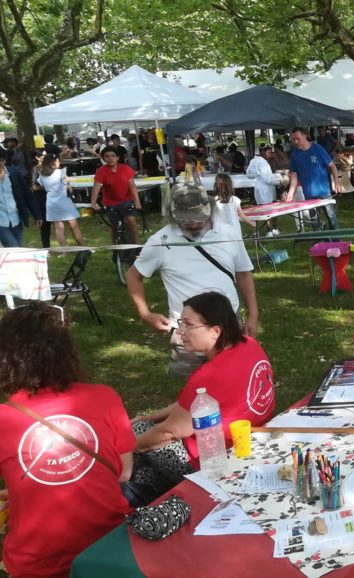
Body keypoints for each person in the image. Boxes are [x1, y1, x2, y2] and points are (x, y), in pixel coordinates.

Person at [0, 303, 135, 577]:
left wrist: (28, 489)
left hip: (37, 561)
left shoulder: (4, 419)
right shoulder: (104, 396)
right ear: (66, 350)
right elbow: (125, 472)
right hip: (108, 547)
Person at [129, 291, 275, 501]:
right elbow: (187, 407)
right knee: (144, 461)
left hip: (212, 463)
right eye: (181, 323)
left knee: (136, 435)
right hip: (252, 439)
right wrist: (149, 417)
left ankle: (135, 491)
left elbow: (171, 432)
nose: (180, 332)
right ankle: (145, 489)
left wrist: (124, 447)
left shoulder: (210, 375)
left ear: (215, 330)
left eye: (188, 325)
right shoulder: (248, 344)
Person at [127, 183, 259, 379]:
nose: (194, 224)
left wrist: (253, 314)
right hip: (187, 329)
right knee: (193, 390)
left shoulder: (228, 233)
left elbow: (243, 274)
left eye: (199, 218)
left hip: (229, 321)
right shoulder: (161, 240)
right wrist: (145, 314)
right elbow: (133, 275)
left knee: (236, 378)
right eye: (186, 221)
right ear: (173, 215)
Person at [285, 127, 341, 230]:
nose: (295, 142)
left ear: (305, 136)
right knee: (314, 220)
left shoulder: (317, 148)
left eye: (298, 138)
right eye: (293, 139)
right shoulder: (295, 154)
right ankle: (319, 242)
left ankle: (337, 240)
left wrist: (336, 182)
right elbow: (294, 174)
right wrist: (290, 193)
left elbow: (332, 166)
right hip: (309, 194)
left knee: (331, 218)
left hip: (324, 192)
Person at [90, 145, 142, 245]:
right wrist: (93, 203)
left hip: (126, 200)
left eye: (113, 156)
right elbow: (96, 188)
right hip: (110, 202)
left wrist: (137, 201)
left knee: (131, 220)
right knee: (114, 226)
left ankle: (137, 246)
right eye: (107, 156)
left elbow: (132, 186)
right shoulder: (101, 171)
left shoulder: (126, 169)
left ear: (117, 158)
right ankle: (116, 248)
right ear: (104, 159)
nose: (110, 158)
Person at [37, 155, 85, 247]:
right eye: (58, 161)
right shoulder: (61, 172)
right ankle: (83, 247)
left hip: (51, 202)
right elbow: (68, 185)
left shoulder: (42, 175)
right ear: (53, 163)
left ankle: (63, 251)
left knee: (58, 228)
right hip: (64, 200)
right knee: (74, 226)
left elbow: (40, 186)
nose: (59, 163)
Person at [246, 146, 282, 235]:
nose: (270, 155)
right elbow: (268, 179)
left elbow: (249, 175)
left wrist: (257, 174)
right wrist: (280, 182)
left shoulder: (253, 161)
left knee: (267, 208)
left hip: (259, 188)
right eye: (268, 152)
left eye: (270, 152)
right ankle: (270, 230)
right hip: (266, 189)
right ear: (262, 152)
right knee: (269, 209)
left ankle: (272, 229)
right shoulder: (262, 163)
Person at [0, 154, 26, 247]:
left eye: (1, 160)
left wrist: (37, 214)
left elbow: (25, 193)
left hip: (15, 219)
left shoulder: (13, 173)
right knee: (14, 249)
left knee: (18, 248)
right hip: (1, 222)